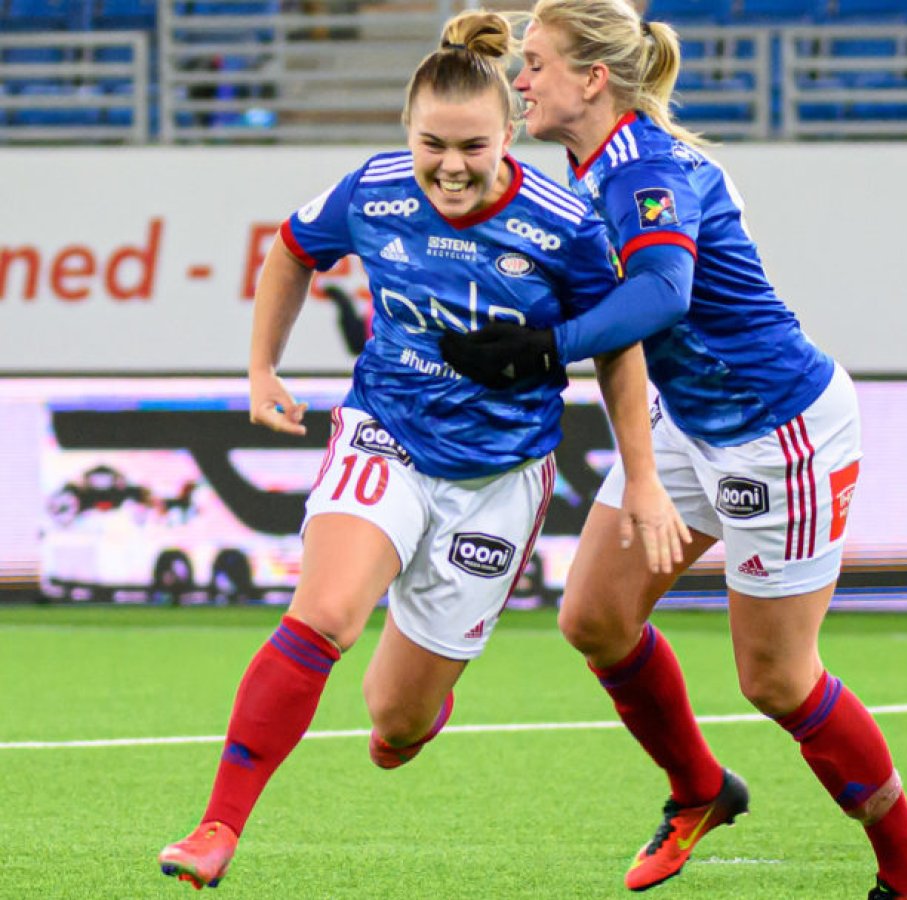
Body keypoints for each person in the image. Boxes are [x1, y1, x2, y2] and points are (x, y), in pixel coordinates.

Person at [436, 3, 907, 897]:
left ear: (593, 80)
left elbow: (665, 295)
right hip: (691, 420)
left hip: (776, 430)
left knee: (778, 679)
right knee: (593, 617)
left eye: (538, 66)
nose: (522, 82)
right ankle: (701, 790)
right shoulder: (590, 165)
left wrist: (543, 349)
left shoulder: (648, 169)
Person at [157, 10, 685, 889]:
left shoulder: (565, 221)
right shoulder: (373, 190)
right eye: (430, 143)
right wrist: (261, 370)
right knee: (324, 612)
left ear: (509, 133)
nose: (449, 164)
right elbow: (291, 253)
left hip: (501, 477)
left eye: (471, 146)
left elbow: (620, 347)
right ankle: (217, 826)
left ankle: (415, 717)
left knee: (394, 720)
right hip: (387, 435)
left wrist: (642, 478)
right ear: (406, 133)